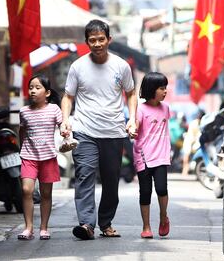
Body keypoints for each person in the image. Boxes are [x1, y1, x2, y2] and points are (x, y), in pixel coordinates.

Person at [60, 19, 137, 240]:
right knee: (84, 175)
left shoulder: (121, 66)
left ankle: (105, 222)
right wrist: (66, 119)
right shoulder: (77, 67)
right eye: (92, 40)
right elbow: (68, 96)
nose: (97, 44)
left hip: (113, 132)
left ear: (109, 40)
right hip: (84, 130)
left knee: (111, 180)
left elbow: (131, 93)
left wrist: (132, 119)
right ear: (86, 42)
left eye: (101, 39)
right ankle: (86, 224)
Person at [17, 75, 62, 240]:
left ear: (47, 92)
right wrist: (22, 149)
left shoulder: (54, 109)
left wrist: (65, 131)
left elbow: (62, 125)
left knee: (45, 194)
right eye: (31, 87)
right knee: (26, 190)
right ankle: (28, 228)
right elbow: (22, 131)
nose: (33, 91)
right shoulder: (24, 112)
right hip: (29, 156)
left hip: (48, 157)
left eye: (37, 87)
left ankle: (44, 227)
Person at [133, 72, 171, 239]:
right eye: (162, 88)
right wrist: (132, 129)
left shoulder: (166, 108)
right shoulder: (140, 109)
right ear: (151, 89)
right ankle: (146, 226)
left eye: (165, 88)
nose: (165, 91)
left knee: (162, 189)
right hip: (143, 156)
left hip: (161, 156)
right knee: (145, 191)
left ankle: (163, 217)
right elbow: (136, 125)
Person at [180, 110, 202, 175]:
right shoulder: (194, 123)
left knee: (187, 156)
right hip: (189, 140)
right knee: (186, 155)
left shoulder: (197, 123)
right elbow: (193, 134)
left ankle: (186, 169)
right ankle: (185, 169)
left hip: (194, 141)